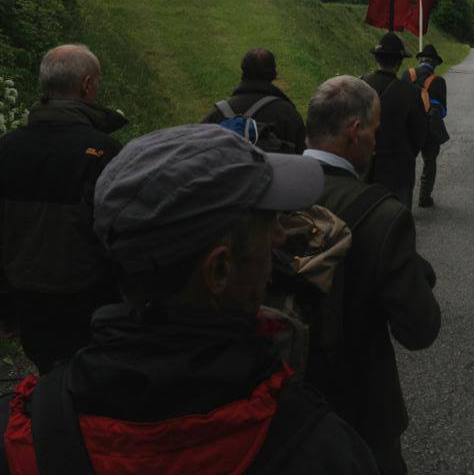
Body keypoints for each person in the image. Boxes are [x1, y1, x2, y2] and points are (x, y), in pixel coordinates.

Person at [0, 123, 379, 474]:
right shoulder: (321, 448)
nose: (280, 236)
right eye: (268, 223)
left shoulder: (23, 429)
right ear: (219, 271)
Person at [303, 76, 441, 475]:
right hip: (358, 407)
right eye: (375, 131)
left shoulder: (264, 189)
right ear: (355, 132)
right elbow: (420, 330)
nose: (377, 142)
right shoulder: (383, 215)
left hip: (277, 398)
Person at [0, 43, 126, 373]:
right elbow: (120, 232)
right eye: (96, 82)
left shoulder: (7, 148)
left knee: (48, 376)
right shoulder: (105, 150)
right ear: (87, 85)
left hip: (24, 297)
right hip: (87, 300)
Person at [362, 32, 427, 209]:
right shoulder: (411, 93)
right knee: (397, 224)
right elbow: (419, 134)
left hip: (361, 166)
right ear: (399, 63)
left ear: (377, 58)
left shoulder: (359, 85)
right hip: (397, 170)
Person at [202, 46, 306, 153]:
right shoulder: (288, 115)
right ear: (273, 74)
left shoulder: (217, 114)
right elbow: (303, 157)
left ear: (243, 70)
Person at [403, 45, 449, 208]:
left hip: (407, 126)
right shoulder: (439, 81)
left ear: (420, 60)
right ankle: (424, 197)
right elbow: (442, 112)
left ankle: (405, 199)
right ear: (435, 63)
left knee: (407, 163)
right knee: (429, 162)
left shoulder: (407, 75)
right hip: (429, 127)